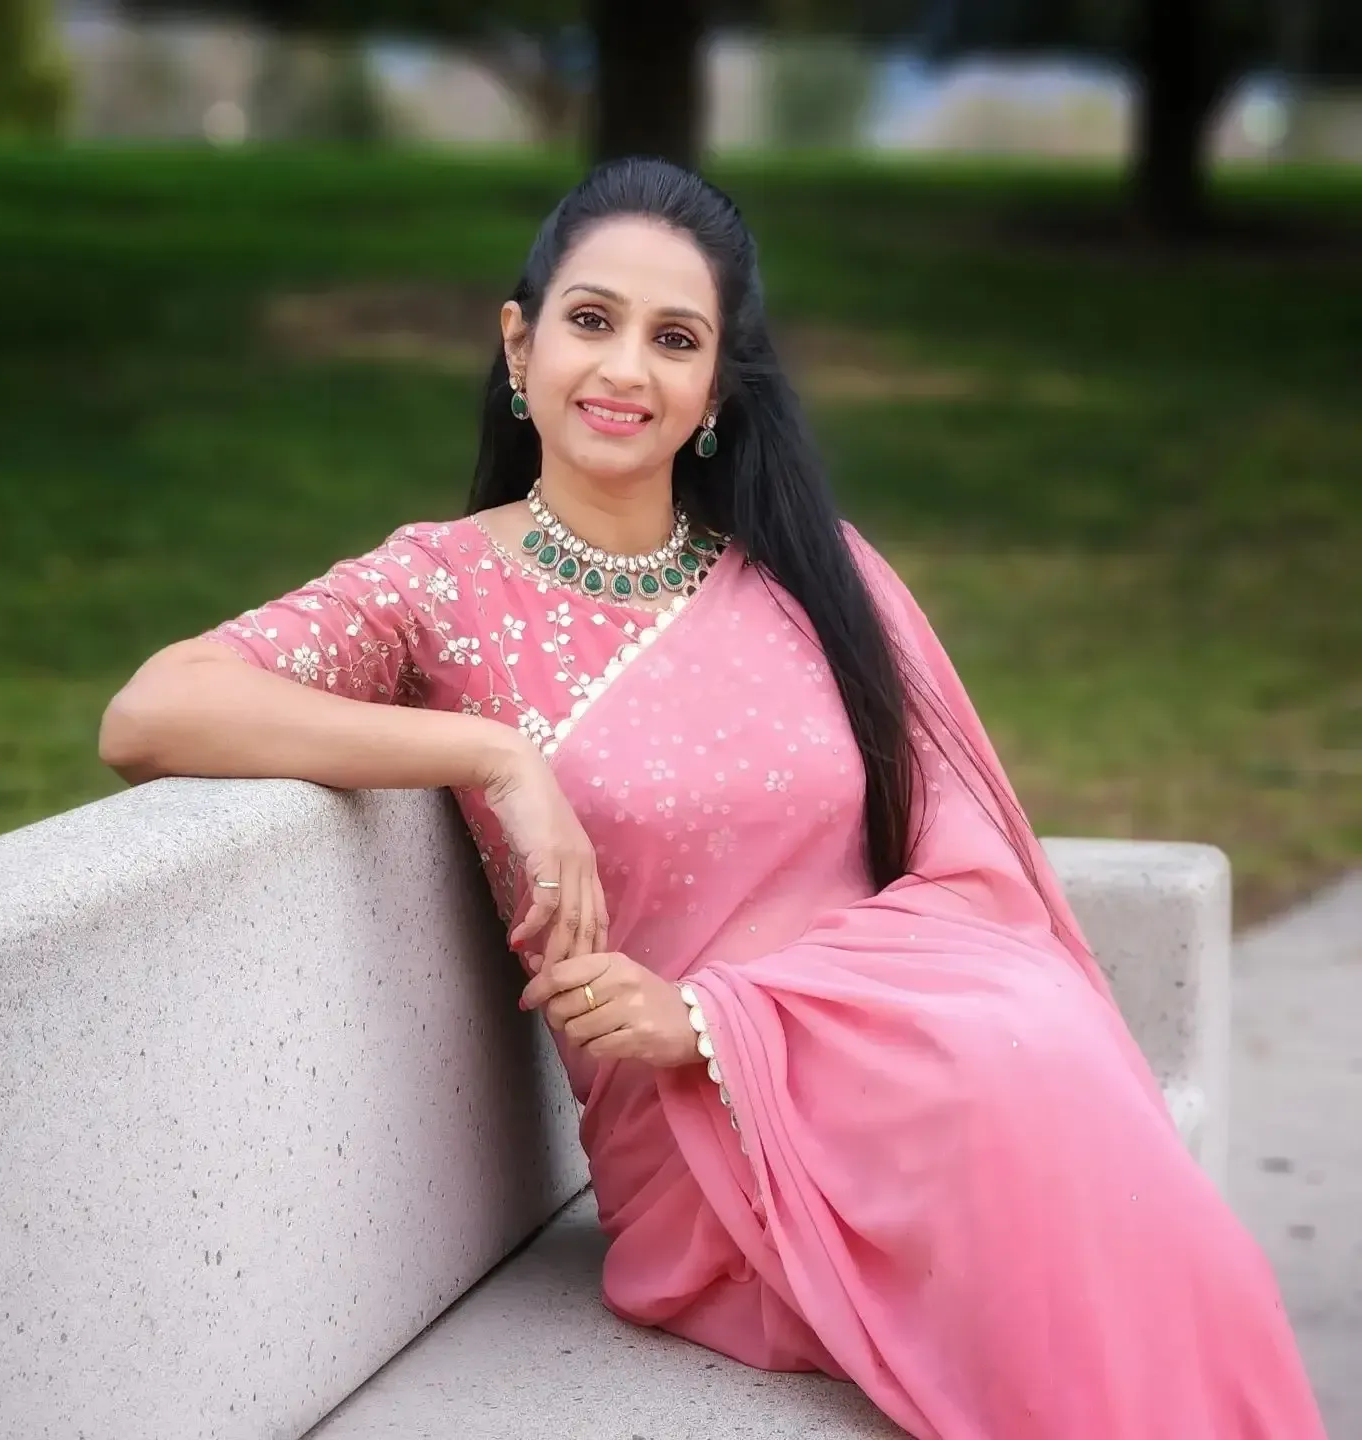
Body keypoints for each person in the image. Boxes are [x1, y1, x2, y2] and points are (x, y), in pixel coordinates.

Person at [99, 157, 1326, 1439]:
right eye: (591, 320)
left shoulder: (817, 579)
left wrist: (710, 1015)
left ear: (715, 390)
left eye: (672, 339)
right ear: (518, 346)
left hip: (890, 1076)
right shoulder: (440, 589)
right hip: (704, 1160)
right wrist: (492, 758)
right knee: (1034, 1163)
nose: (625, 369)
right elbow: (155, 711)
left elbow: (978, 888)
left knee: (1053, 1095)